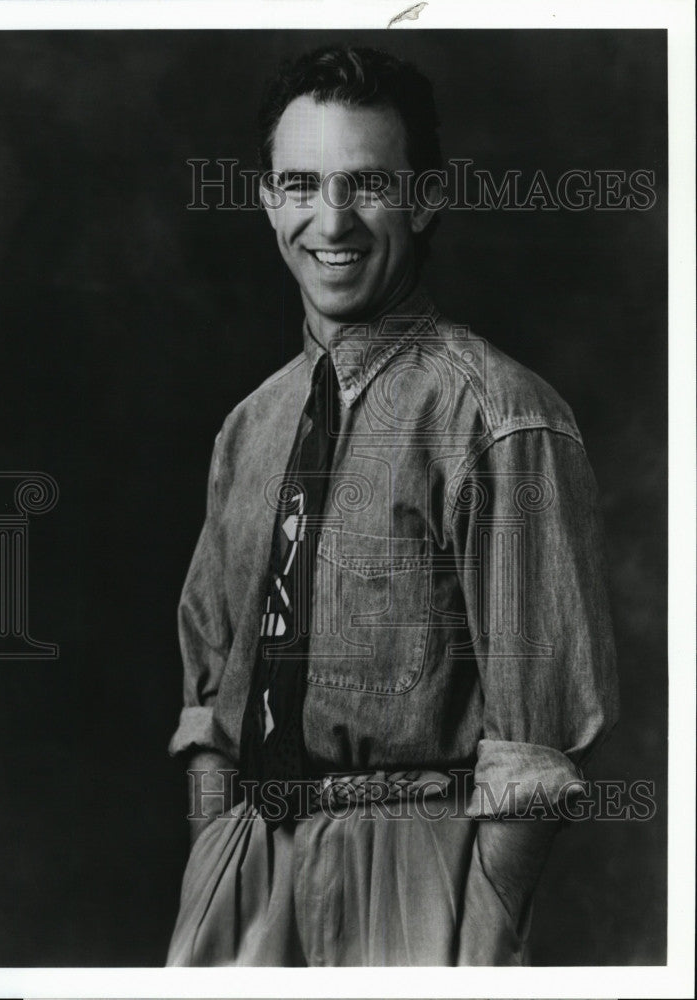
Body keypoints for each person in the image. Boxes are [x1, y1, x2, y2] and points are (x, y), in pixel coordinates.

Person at [166, 44, 619, 966]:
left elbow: (532, 750)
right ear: (267, 200)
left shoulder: (500, 417)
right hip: (244, 868)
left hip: (415, 874)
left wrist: (479, 934)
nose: (331, 220)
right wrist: (215, 855)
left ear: (423, 199)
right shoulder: (249, 429)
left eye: (366, 183)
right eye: (301, 182)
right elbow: (211, 697)